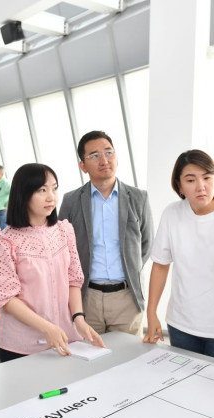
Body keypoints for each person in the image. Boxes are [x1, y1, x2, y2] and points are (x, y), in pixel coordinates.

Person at [144, 149, 214, 363]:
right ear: (179, 186)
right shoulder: (172, 213)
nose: (201, 186)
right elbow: (160, 265)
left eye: (207, 177)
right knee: (180, 383)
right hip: (180, 325)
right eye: (190, 180)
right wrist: (151, 312)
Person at [0, 163, 105, 362]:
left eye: (54, 188)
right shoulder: (4, 241)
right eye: (42, 190)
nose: (51, 197)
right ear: (23, 194)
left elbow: (73, 280)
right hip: (20, 346)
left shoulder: (64, 231)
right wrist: (46, 328)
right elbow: (6, 298)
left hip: (66, 338)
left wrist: (79, 319)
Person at [59, 130, 154, 337]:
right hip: (86, 297)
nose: (104, 160)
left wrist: (131, 269)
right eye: (94, 155)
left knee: (128, 356)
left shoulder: (139, 197)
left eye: (109, 152)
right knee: (88, 355)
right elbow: (62, 249)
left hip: (127, 298)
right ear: (83, 165)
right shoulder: (71, 201)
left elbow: (146, 244)